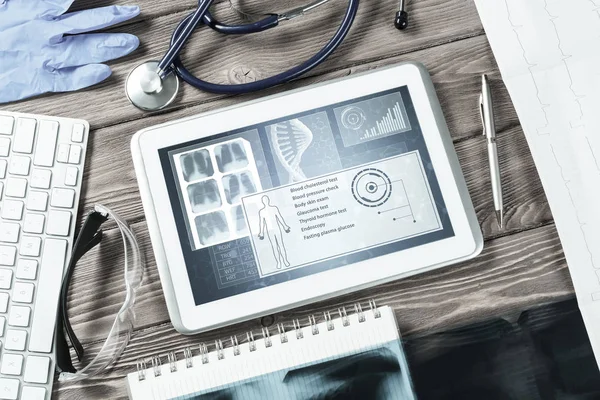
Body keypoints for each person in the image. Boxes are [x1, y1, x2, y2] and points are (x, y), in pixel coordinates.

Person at [257, 195, 291, 269]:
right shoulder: (261, 212)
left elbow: (280, 218)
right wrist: (261, 232)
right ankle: (279, 262)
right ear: (263, 202)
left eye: (266, 199)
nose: (265, 201)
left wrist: (285, 226)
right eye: (264, 200)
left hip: (277, 229)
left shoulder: (274, 208)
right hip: (269, 231)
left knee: (281, 245)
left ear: (268, 200)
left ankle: (285, 260)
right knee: (274, 247)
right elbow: (262, 223)